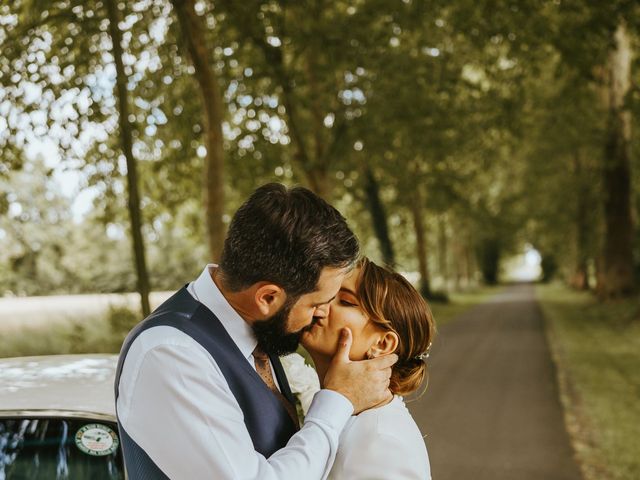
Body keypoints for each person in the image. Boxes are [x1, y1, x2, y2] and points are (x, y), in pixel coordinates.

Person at [114, 183, 398, 479]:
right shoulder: (171, 354)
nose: (322, 314)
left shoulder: (258, 327)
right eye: (316, 304)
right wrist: (339, 399)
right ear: (267, 298)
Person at [302, 257, 436, 480]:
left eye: (345, 301)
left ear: (382, 344)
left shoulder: (382, 440)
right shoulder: (343, 414)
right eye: (328, 292)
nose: (321, 304)